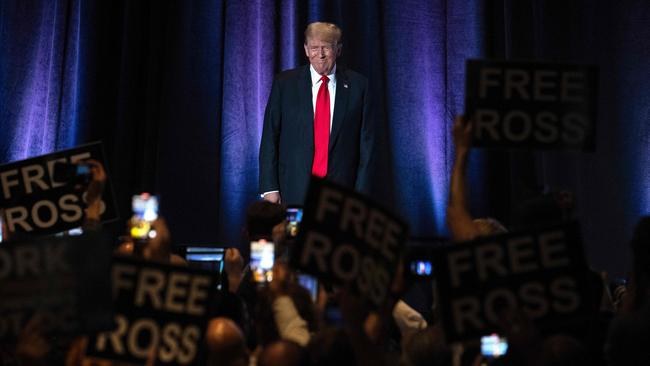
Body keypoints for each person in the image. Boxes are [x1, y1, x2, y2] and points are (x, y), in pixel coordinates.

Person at [259, 21, 375, 205]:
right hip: (294, 190)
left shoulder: (359, 86)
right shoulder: (285, 84)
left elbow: (367, 147)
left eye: (326, 48)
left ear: (338, 50)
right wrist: (270, 188)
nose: (320, 54)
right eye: (314, 48)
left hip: (341, 195)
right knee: (294, 235)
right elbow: (269, 137)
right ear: (306, 50)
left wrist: (360, 195)